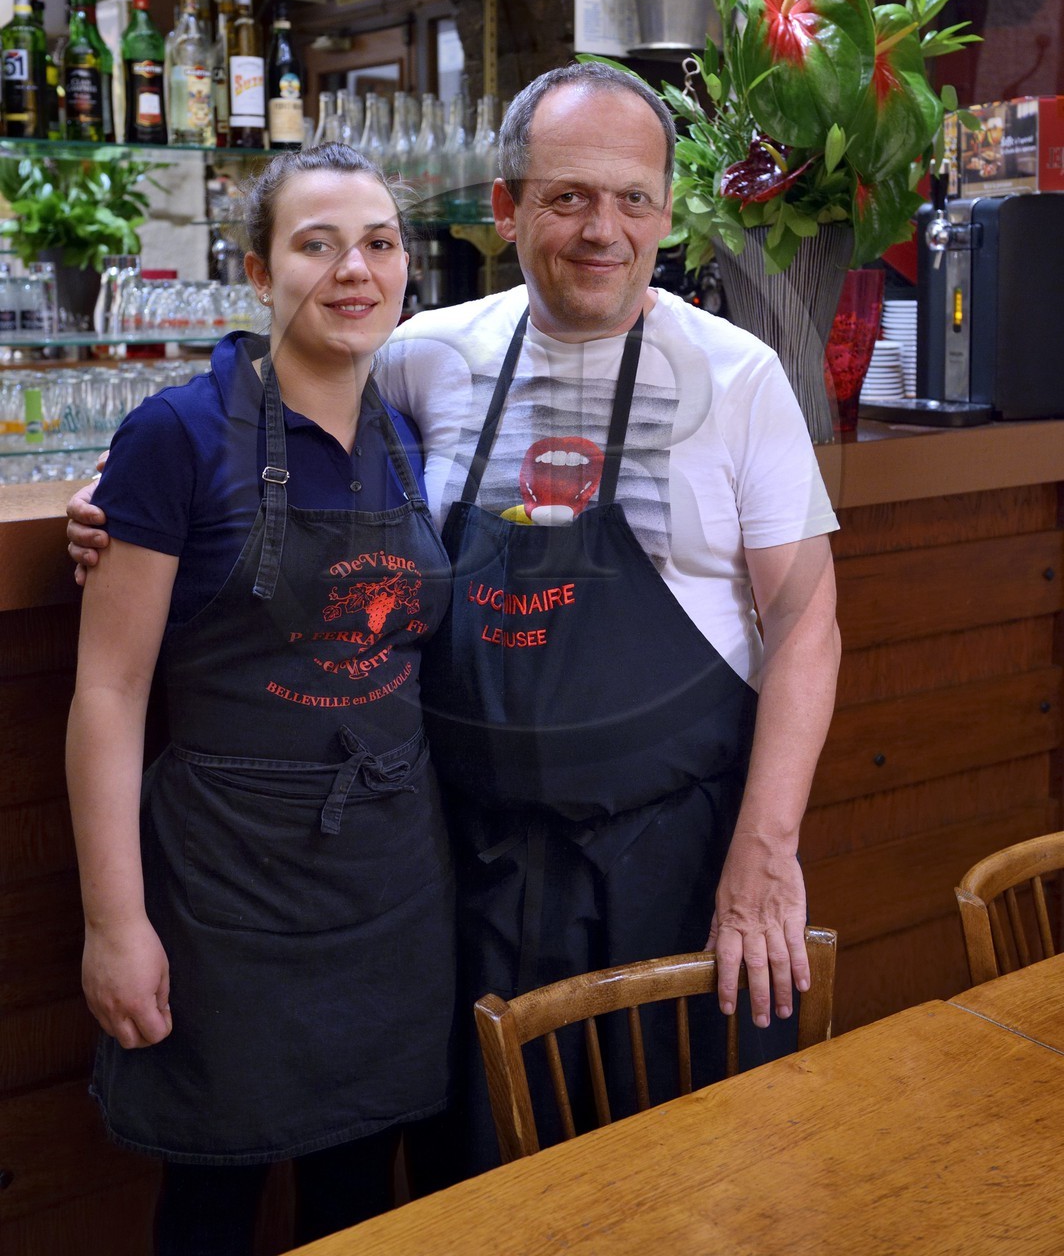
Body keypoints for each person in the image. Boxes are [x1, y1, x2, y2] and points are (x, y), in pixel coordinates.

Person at [69, 64, 840, 1172]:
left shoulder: (737, 374)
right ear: (506, 208)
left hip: (670, 864)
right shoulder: (427, 354)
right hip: (464, 873)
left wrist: (764, 851)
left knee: (688, 1182)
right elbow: (267, 410)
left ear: (668, 215)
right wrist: (119, 491)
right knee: (477, 1195)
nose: (601, 230)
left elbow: (805, 626)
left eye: (631, 199)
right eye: (567, 196)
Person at [65, 146, 455, 1254]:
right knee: (212, 1199)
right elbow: (108, 692)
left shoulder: (407, 429)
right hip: (225, 882)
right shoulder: (173, 436)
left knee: (363, 1194)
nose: (354, 269)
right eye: (316, 242)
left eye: (378, 243)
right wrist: (115, 922)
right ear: (255, 269)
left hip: (387, 879)